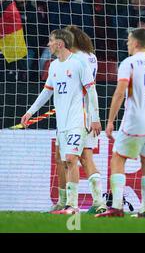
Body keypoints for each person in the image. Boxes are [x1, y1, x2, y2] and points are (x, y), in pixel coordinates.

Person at [96, 28, 145, 218]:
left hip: (134, 120)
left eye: (129, 41)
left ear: (137, 43)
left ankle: (116, 206)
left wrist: (110, 121)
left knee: (118, 158)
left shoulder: (129, 63)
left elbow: (120, 93)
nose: (127, 44)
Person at [21, 29, 102, 215]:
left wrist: (95, 118)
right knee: (66, 161)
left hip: (78, 120)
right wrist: (30, 112)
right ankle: (69, 204)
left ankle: (72, 206)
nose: (48, 44)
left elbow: (92, 91)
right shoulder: (54, 66)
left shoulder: (80, 62)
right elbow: (47, 91)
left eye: (51, 41)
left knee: (72, 159)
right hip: (62, 123)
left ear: (60, 44)